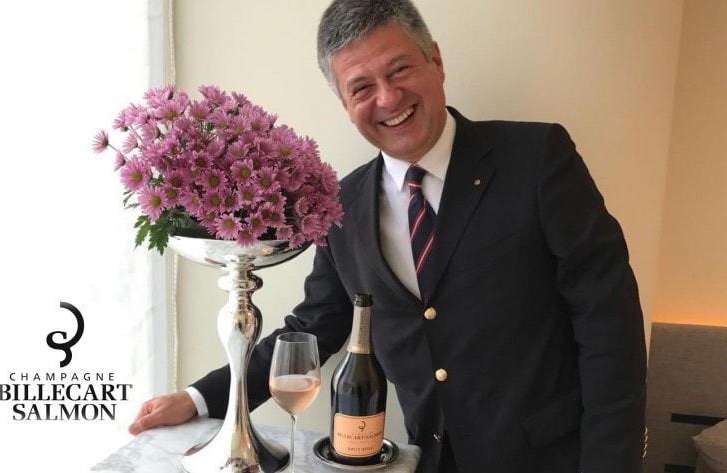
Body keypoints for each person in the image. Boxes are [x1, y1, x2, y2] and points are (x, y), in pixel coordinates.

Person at [128, 1, 648, 472]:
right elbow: (314, 327)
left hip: (554, 459)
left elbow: (609, 323)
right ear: (345, 103)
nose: (388, 97)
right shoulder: (340, 204)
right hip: (427, 461)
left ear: (435, 61)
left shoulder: (537, 159)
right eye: (361, 88)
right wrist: (199, 399)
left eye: (400, 69)